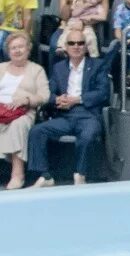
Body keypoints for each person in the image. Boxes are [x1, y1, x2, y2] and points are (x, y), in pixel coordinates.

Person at [24, 26, 113, 188]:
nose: (76, 46)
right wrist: (57, 99)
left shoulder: (98, 65)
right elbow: (47, 92)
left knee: (87, 135)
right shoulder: (59, 68)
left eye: (80, 43)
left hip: (88, 115)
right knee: (37, 131)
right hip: (65, 115)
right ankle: (45, 176)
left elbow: (103, 93)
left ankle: (80, 175)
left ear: (86, 47)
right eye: (72, 43)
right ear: (65, 47)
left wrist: (77, 100)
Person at [0, 33, 49, 190]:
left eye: (21, 47)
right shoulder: (1, 68)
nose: (17, 51)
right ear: (8, 51)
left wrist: (27, 100)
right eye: (13, 48)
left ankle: (17, 175)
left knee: (17, 125)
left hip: (23, 112)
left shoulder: (37, 70)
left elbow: (44, 96)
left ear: (28, 49)